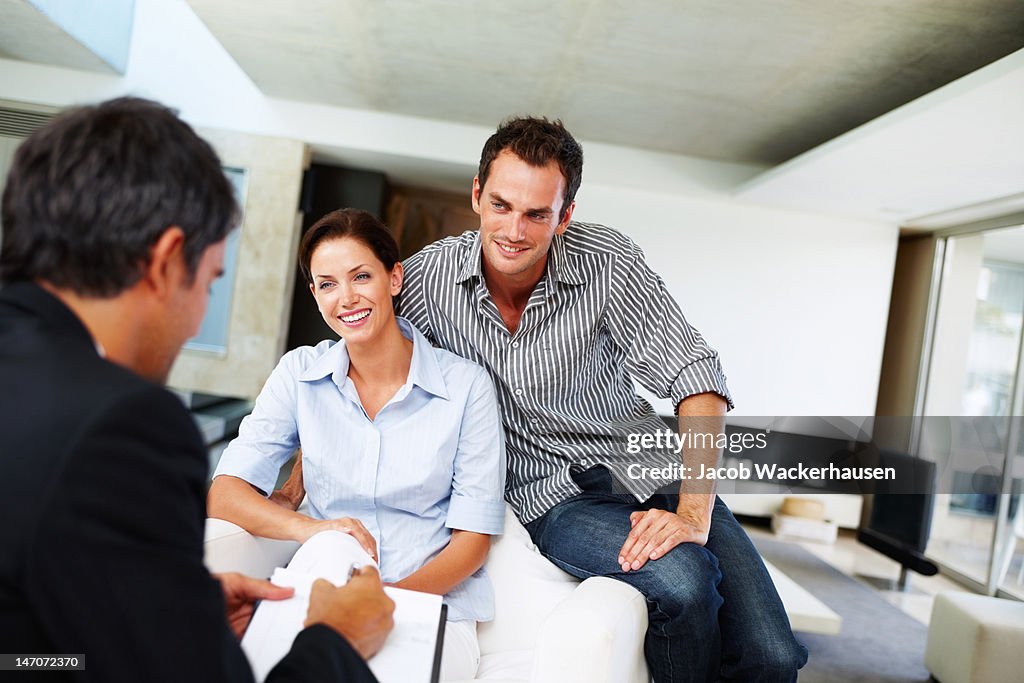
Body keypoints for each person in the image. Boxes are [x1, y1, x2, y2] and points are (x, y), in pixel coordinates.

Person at [393, 117, 810, 682]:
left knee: (774, 656)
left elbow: (698, 378)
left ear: (565, 216)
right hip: (554, 496)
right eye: (501, 205)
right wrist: (294, 482)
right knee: (682, 583)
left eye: (537, 213)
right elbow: (353, 369)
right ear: (476, 195)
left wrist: (691, 511)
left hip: (650, 466)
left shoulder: (605, 261)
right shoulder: (425, 281)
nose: (513, 229)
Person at [0, 97, 393, 682]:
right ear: (164, 263)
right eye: (210, 281)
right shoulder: (123, 425)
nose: (196, 320)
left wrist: (164, 611)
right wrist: (336, 639)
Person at [207, 209, 506, 680]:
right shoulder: (299, 374)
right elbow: (224, 495)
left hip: (427, 601)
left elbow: (471, 543)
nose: (346, 298)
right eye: (327, 284)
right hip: (322, 583)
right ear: (315, 295)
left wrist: (385, 601)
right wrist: (315, 530)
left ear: (394, 277)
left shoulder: (466, 387)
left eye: (361, 276)